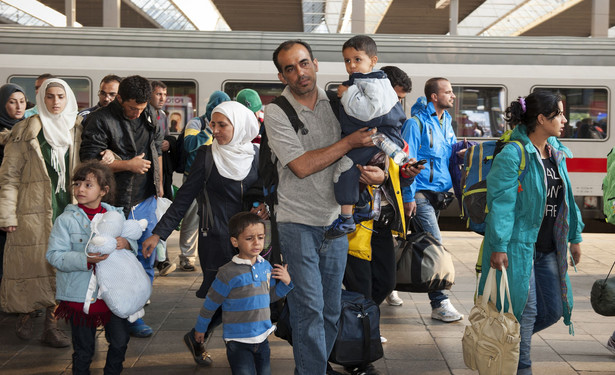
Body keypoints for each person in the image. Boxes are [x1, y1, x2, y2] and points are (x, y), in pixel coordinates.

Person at [265, 39, 377, 375]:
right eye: (289, 68)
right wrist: (347, 143)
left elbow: (365, 148)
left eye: (303, 63)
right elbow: (300, 165)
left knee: (330, 309)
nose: (299, 72)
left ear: (315, 63)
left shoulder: (338, 102)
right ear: (282, 76)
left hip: (335, 223)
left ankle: (310, 369)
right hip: (297, 222)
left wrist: (379, 174)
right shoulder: (276, 111)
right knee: (309, 307)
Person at [142, 100, 266, 365]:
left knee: (247, 294)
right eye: (213, 124)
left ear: (240, 125)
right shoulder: (206, 156)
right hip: (218, 240)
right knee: (224, 295)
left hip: (252, 242)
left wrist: (265, 207)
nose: (216, 130)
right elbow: (183, 199)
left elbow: (268, 193)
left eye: (223, 124)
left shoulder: (257, 156)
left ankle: (201, 337)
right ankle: (219, 344)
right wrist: (159, 234)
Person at [479, 92, 583, 374]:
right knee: (525, 314)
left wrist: (574, 236)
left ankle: (505, 344)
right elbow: (501, 203)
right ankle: (520, 367)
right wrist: (499, 245)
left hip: (550, 247)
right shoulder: (514, 153)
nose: (564, 120)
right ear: (541, 119)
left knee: (554, 310)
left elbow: (566, 199)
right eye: (559, 114)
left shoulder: (555, 151)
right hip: (517, 246)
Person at [0, 78, 82, 348]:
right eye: (50, 97)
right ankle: (25, 313)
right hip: (31, 210)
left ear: (68, 99)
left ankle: (51, 326)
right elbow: (9, 176)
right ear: (42, 99)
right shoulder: (25, 130)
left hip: (66, 208)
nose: (55, 102)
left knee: (60, 269)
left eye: (60, 96)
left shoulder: (77, 130)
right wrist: (7, 215)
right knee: (31, 267)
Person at [80, 75, 163, 338]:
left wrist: (159, 186)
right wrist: (127, 165)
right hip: (114, 203)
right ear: (118, 98)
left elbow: (156, 149)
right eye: (131, 108)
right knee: (112, 261)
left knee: (145, 259)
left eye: (140, 108)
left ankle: (135, 312)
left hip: (146, 198)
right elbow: (89, 162)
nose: (136, 113)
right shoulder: (100, 120)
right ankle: (107, 314)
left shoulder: (148, 113)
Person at [46, 160, 135, 375]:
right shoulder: (66, 220)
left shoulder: (116, 216)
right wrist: (86, 259)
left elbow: (131, 246)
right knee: (84, 350)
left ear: (104, 191)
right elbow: (54, 256)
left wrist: (128, 244)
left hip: (112, 293)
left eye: (88, 185)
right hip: (80, 295)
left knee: (120, 341)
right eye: (77, 184)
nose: (80, 189)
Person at [183, 211, 293, 374]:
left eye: (261, 237)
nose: (256, 242)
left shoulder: (266, 267)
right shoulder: (227, 273)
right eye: (249, 238)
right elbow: (211, 304)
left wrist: (287, 283)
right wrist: (201, 328)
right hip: (237, 341)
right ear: (235, 241)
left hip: (262, 338)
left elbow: (267, 297)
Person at [327, 35, 407, 239]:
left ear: (373, 61)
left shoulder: (372, 82)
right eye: (347, 60)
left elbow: (367, 112)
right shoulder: (370, 80)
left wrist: (345, 93)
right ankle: (362, 206)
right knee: (356, 172)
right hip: (374, 138)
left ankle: (346, 219)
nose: (351, 65)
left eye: (357, 59)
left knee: (344, 170)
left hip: (374, 138)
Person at [401, 77, 464, 322]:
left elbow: (445, 153)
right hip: (420, 194)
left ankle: (388, 286)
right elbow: (407, 162)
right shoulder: (415, 124)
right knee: (435, 247)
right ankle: (439, 303)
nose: (453, 96)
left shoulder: (445, 121)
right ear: (434, 97)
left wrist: (459, 152)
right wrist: (408, 196)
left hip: (438, 196)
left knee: (411, 242)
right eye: (448, 92)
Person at [177, 90, 230, 272]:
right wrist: (208, 131)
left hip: (215, 178)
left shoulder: (228, 124)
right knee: (191, 219)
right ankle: (187, 257)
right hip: (194, 177)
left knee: (213, 219)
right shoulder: (196, 122)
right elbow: (189, 144)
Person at [378, 66, 413, 307]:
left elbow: (398, 171)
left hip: (384, 212)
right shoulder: (363, 118)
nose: (398, 104)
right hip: (359, 213)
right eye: (397, 97)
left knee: (385, 278)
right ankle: (360, 327)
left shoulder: (393, 127)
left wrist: (408, 175)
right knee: (363, 280)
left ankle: (365, 324)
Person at [0, 83, 27, 284]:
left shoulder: (30, 129)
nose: (18, 107)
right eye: (12, 102)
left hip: (24, 201)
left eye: (22, 102)